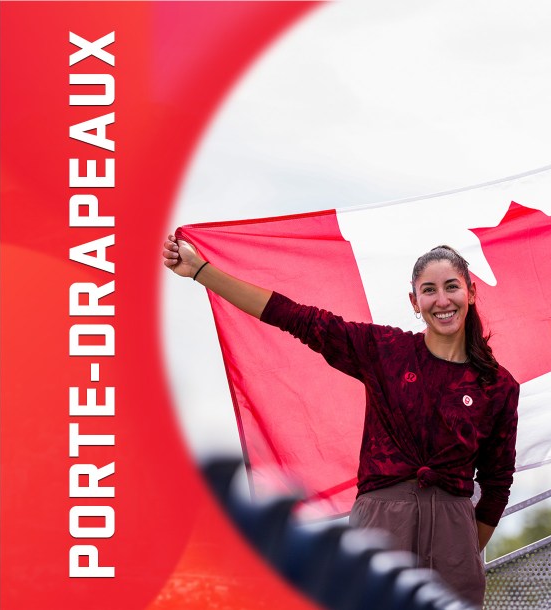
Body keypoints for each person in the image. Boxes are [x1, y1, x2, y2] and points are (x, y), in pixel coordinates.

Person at [163, 240, 519, 606]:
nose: (442, 300)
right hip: (381, 527)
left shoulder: (499, 386)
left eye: (451, 286)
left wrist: (461, 547)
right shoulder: (384, 350)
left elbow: (497, 484)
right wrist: (202, 272)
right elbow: (296, 317)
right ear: (414, 302)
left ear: (471, 292)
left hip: (454, 542)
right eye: (429, 290)